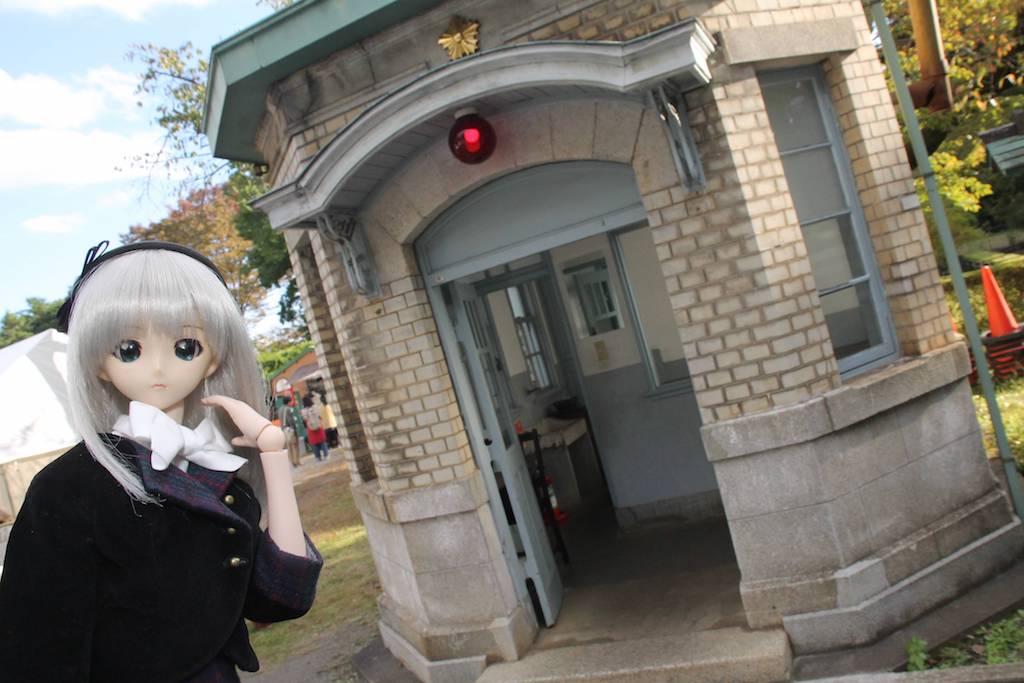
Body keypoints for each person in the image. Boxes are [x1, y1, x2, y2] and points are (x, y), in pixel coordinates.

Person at [0, 241, 322, 681]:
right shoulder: (69, 488)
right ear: (98, 363)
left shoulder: (218, 475)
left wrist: (273, 455)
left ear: (213, 358)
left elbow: (282, 597)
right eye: (129, 349)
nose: (157, 369)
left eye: (186, 346)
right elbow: (36, 651)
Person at [277, 394, 304, 467]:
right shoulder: (288, 409)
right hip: (290, 430)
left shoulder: (280, 409)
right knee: (295, 445)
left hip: (284, 430)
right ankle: (297, 461)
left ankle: (292, 461)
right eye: (291, 401)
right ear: (288, 402)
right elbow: (290, 421)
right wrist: (295, 430)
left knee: (289, 447)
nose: (291, 402)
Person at [302, 393, 328, 461]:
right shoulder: (315, 407)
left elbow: (304, 420)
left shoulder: (303, 411)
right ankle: (326, 455)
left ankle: (318, 457)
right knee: (322, 441)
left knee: (314, 443)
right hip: (319, 426)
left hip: (310, 428)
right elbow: (320, 416)